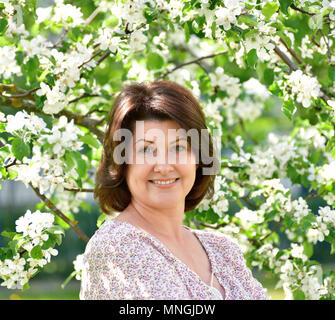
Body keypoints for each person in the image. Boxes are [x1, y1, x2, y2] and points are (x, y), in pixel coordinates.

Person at [79, 80, 269, 300]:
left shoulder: (224, 251)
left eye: (178, 147)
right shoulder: (117, 247)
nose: (164, 166)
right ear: (122, 163)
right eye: (146, 150)